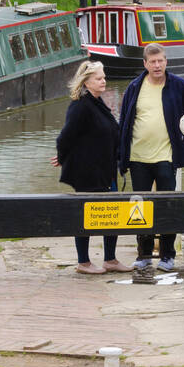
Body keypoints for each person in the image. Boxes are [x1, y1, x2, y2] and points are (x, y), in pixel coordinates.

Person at [118, 44, 184, 272]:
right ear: (145, 64)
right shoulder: (134, 87)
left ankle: (168, 255)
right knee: (139, 208)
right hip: (138, 156)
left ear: (166, 61)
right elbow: (123, 122)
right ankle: (144, 255)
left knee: (167, 205)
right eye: (152, 62)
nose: (157, 65)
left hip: (166, 156)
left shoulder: (179, 86)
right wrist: (120, 155)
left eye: (160, 61)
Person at [54, 61, 128, 275]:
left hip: (106, 171)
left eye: (104, 77)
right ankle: (83, 262)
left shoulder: (98, 103)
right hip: (88, 173)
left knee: (113, 214)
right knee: (86, 216)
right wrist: (62, 157)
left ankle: (110, 259)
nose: (103, 80)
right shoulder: (80, 105)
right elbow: (65, 137)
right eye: (98, 78)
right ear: (86, 82)